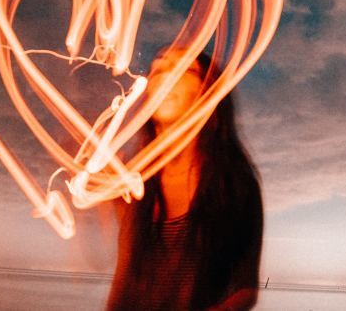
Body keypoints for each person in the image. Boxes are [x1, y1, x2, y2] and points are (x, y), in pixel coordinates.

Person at [106, 51, 265, 310]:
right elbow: (123, 281)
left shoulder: (235, 185)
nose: (166, 76)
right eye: (158, 70)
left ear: (207, 94)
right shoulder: (134, 185)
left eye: (184, 71)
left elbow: (245, 287)